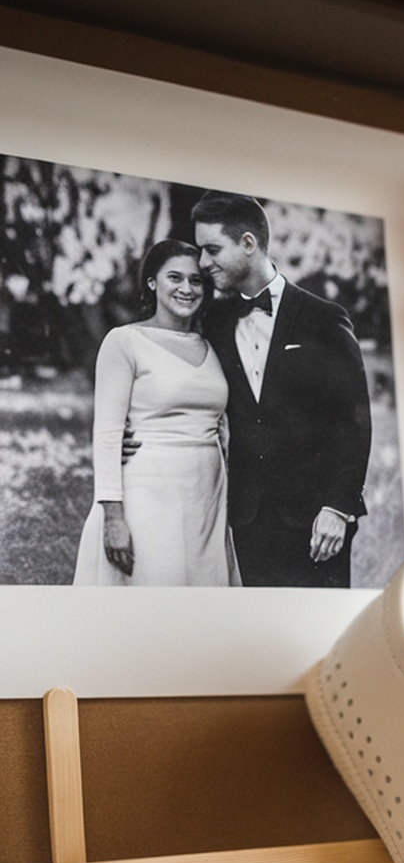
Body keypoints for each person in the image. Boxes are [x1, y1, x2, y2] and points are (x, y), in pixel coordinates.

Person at [191, 191, 372, 587]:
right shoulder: (216, 321)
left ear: (248, 244)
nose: (203, 263)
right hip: (248, 516)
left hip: (316, 519)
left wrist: (337, 508)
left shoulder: (324, 319)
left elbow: (353, 422)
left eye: (212, 249)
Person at [73, 238, 238, 587]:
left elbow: (218, 418)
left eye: (196, 281)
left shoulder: (211, 346)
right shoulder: (124, 342)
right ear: (152, 282)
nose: (186, 288)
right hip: (148, 494)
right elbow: (106, 434)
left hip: (206, 497)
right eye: (174, 278)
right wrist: (114, 518)